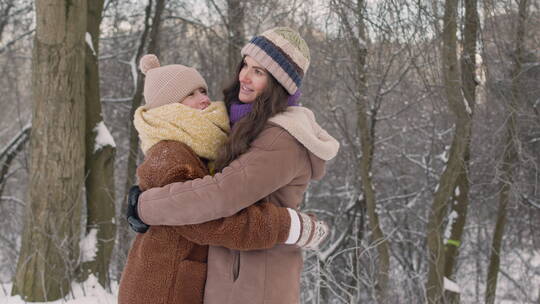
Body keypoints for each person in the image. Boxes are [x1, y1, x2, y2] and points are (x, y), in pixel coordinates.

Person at [129, 27, 340, 303]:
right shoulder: (244, 125)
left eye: (259, 72)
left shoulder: (281, 137)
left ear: (280, 83)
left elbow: (221, 194)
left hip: (254, 279)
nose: (245, 77)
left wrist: (144, 206)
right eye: (246, 65)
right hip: (232, 275)